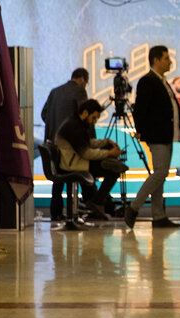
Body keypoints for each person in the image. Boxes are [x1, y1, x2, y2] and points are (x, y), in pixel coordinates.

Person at [125, 45, 180, 230]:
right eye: (166, 58)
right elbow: (140, 109)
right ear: (156, 60)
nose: (170, 61)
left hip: (166, 134)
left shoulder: (163, 81)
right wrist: (141, 129)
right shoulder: (148, 81)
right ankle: (133, 207)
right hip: (157, 135)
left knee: (160, 174)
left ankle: (159, 217)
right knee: (160, 173)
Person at [55, 99, 127, 226]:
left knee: (111, 165)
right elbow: (86, 153)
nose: (94, 122)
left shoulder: (76, 123)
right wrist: (109, 153)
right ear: (85, 112)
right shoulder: (74, 127)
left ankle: (96, 201)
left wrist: (105, 142)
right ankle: (96, 202)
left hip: (75, 161)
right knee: (114, 170)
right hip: (73, 165)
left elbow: (87, 143)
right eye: (94, 118)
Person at [41, 68, 89, 221]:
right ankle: (72, 211)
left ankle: (56, 212)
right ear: (82, 80)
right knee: (73, 175)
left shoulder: (54, 92)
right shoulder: (80, 92)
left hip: (52, 143)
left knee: (58, 179)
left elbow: (44, 114)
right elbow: (84, 117)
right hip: (70, 145)